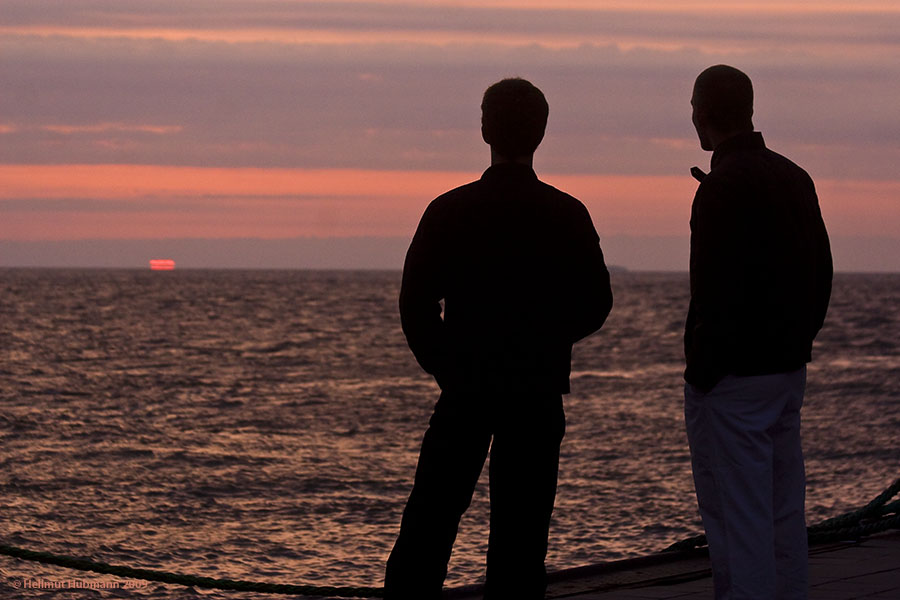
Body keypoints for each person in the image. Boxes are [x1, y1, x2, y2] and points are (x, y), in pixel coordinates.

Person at [384, 77, 613, 599]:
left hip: (465, 390)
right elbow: (596, 302)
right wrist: (548, 342)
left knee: (430, 523)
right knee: (521, 537)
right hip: (536, 392)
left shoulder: (450, 210)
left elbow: (415, 303)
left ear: (485, 127)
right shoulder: (567, 213)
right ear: (542, 132)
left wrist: (447, 364)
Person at [683, 65, 833, 599]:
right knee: (782, 512)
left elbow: (714, 293)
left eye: (695, 106)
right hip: (786, 370)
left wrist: (704, 373)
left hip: (733, 380)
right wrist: (800, 342)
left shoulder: (722, 187)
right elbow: (822, 274)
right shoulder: (795, 177)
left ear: (703, 112)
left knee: (737, 520)